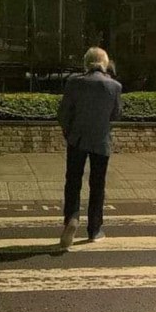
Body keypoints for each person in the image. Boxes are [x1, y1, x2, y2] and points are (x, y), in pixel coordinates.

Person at [57, 46, 122, 248]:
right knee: (97, 185)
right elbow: (116, 114)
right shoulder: (114, 86)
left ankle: (72, 218)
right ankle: (95, 229)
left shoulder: (74, 83)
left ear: (86, 62)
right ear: (105, 63)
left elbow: (63, 113)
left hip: (77, 139)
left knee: (73, 181)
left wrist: (68, 132)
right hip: (101, 141)